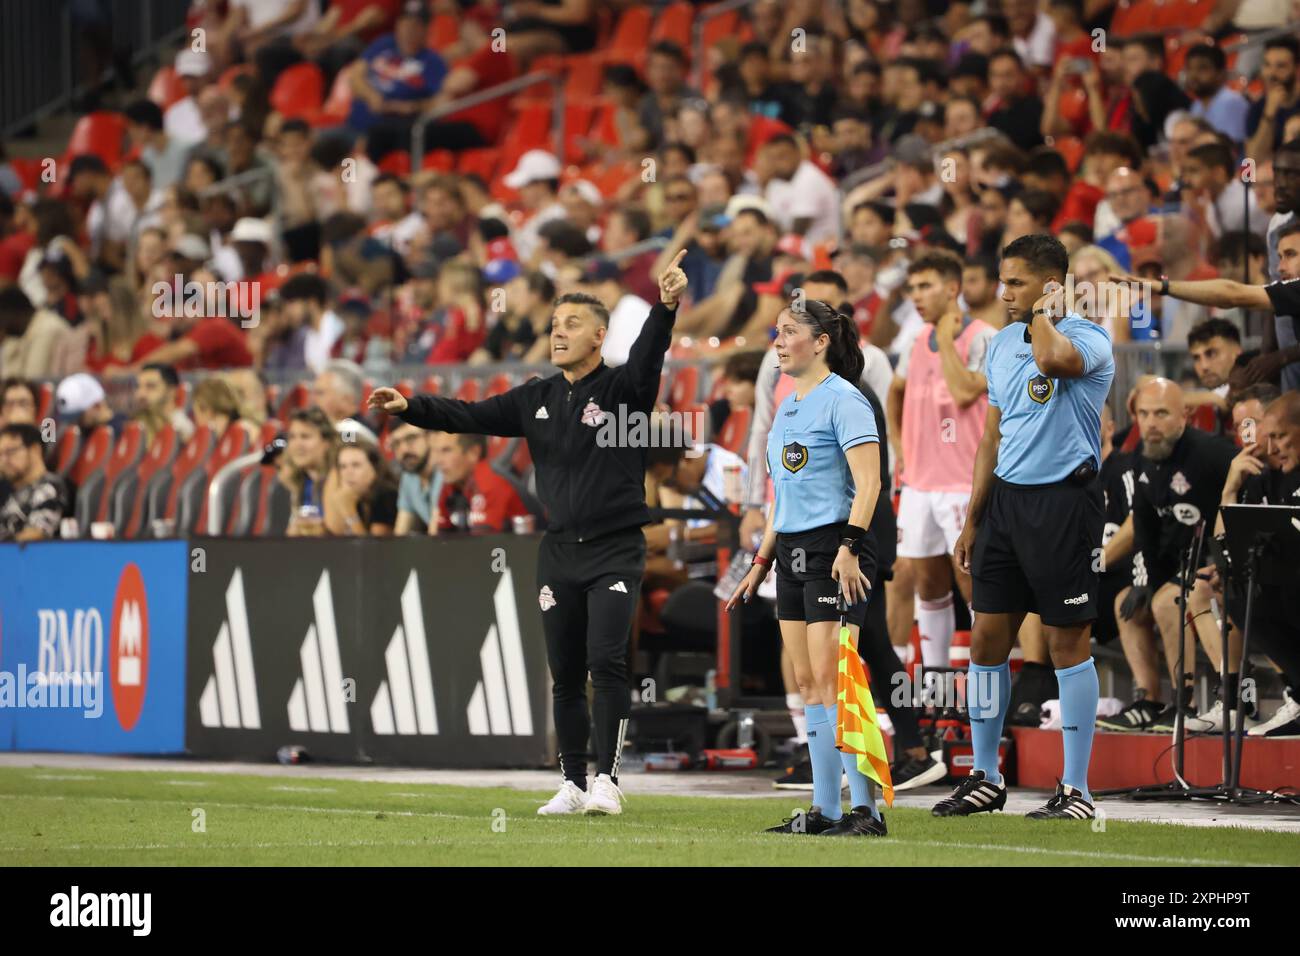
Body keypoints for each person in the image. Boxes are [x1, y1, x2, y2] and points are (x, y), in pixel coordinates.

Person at [368, 250, 691, 816]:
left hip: (616, 547)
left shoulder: (624, 393)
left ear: (599, 336)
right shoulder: (534, 398)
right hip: (559, 550)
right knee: (564, 671)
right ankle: (571, 782)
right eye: (553, 325)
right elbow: (468, 415)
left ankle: (607, 781)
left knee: (606, 663)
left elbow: (648, 357)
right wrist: (411, 406)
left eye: (571, 325)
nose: (558, 333)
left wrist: (665, 307)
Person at [932, 234, 1114, 820]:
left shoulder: (1088, 340)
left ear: (1051, 284)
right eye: (1002, 280)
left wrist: (1042, 316)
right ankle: (986, 775)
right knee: (986, 638)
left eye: (1016, 283)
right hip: (1007, 506)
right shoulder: (1001, 344)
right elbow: (992, 435)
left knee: (1066, 643)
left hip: (1066, 504)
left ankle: (1077, 788)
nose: (1003, 292)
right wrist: (974, 516)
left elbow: (1052, 361)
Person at [725, 298, 887, 836]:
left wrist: (850, 546)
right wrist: (760, 561)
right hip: (791, 551)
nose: (778, 341)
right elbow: (782, 497)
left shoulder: (847, 400)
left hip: (832, 549)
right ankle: (825, 810)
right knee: (806, 683)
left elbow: (871, 484)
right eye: (776, 331)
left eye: (789, 332)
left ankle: (867, 811)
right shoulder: (788, 402)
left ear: (820, 341)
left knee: (834, 679)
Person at [887, 252, 996, 672]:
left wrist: (947, 339)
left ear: (953, 289)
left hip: (962, 481)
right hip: (919, 483)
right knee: (926, 583)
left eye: (926, 286)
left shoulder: (983, 336)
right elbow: (895, 391)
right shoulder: (915, 341)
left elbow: (966, 390)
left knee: (973, 583)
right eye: (912, 288)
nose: (916, 296)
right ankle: (935, 681)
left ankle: (988, 679)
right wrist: (900, 445)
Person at [429, 432, 528, 533]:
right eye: (435, 451)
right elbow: (441, 535)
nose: (438, 461)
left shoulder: (491, 482)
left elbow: (481, 544)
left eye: (446, 450)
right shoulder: (450, 483)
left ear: (473, 452)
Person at [0, 423, 69, 541]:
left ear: (35, 450)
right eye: (0, 455)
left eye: (10, 452)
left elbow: (36, 535)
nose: (3, 461)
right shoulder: (9, 489)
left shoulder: (49, 487)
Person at [335, 442, 399, 536]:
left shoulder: (387, 495)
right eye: (343, 466)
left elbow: (375, 547)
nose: (348, 473)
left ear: (375, 468)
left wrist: (350, 512)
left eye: (356, 465)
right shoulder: (357, 496)